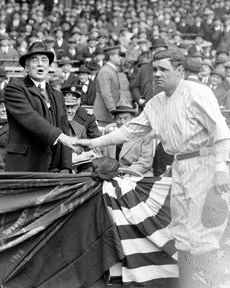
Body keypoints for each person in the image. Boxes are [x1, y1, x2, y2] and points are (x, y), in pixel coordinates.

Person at [75, 49, 230, 287]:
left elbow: (221, 131)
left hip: (206, 164)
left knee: (205, 233)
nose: (156, 74)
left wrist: (220, 169)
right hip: (180, 166)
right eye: (154, 69)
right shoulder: (156, 102)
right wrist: (93, 142)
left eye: (163, 69)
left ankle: (215, 282)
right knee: (181, 233)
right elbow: (130, 130)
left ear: (180, 71)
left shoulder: (197, 92)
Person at [4, 41, 79, 172]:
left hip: (53, 166)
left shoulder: (57, 95)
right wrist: (62, 138)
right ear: (26, 67)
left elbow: (64, 128)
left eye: (44, 60)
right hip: (25, 165)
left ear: (49, 66)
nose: (40, 64)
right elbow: (30, 119)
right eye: (34, 60)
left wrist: (66, 166)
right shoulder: (15, 88)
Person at [101, 102, 154, 176]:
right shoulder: (110, 135)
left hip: (135, 172)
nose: (122, 122)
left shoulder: (144, 135)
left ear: (133, 119)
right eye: (119, 118)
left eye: (126, 118)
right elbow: (102, 156)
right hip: (112, 173)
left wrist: (128, 172)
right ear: (115, 120)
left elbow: (146, 161)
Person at [93, 45, 128, 126]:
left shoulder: (111, 70)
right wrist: (113, 111)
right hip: (104, 115)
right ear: (111, 57)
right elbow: (106, 93)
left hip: (108, 114)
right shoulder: (106, 71)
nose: (120, 58)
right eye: (118, 55)